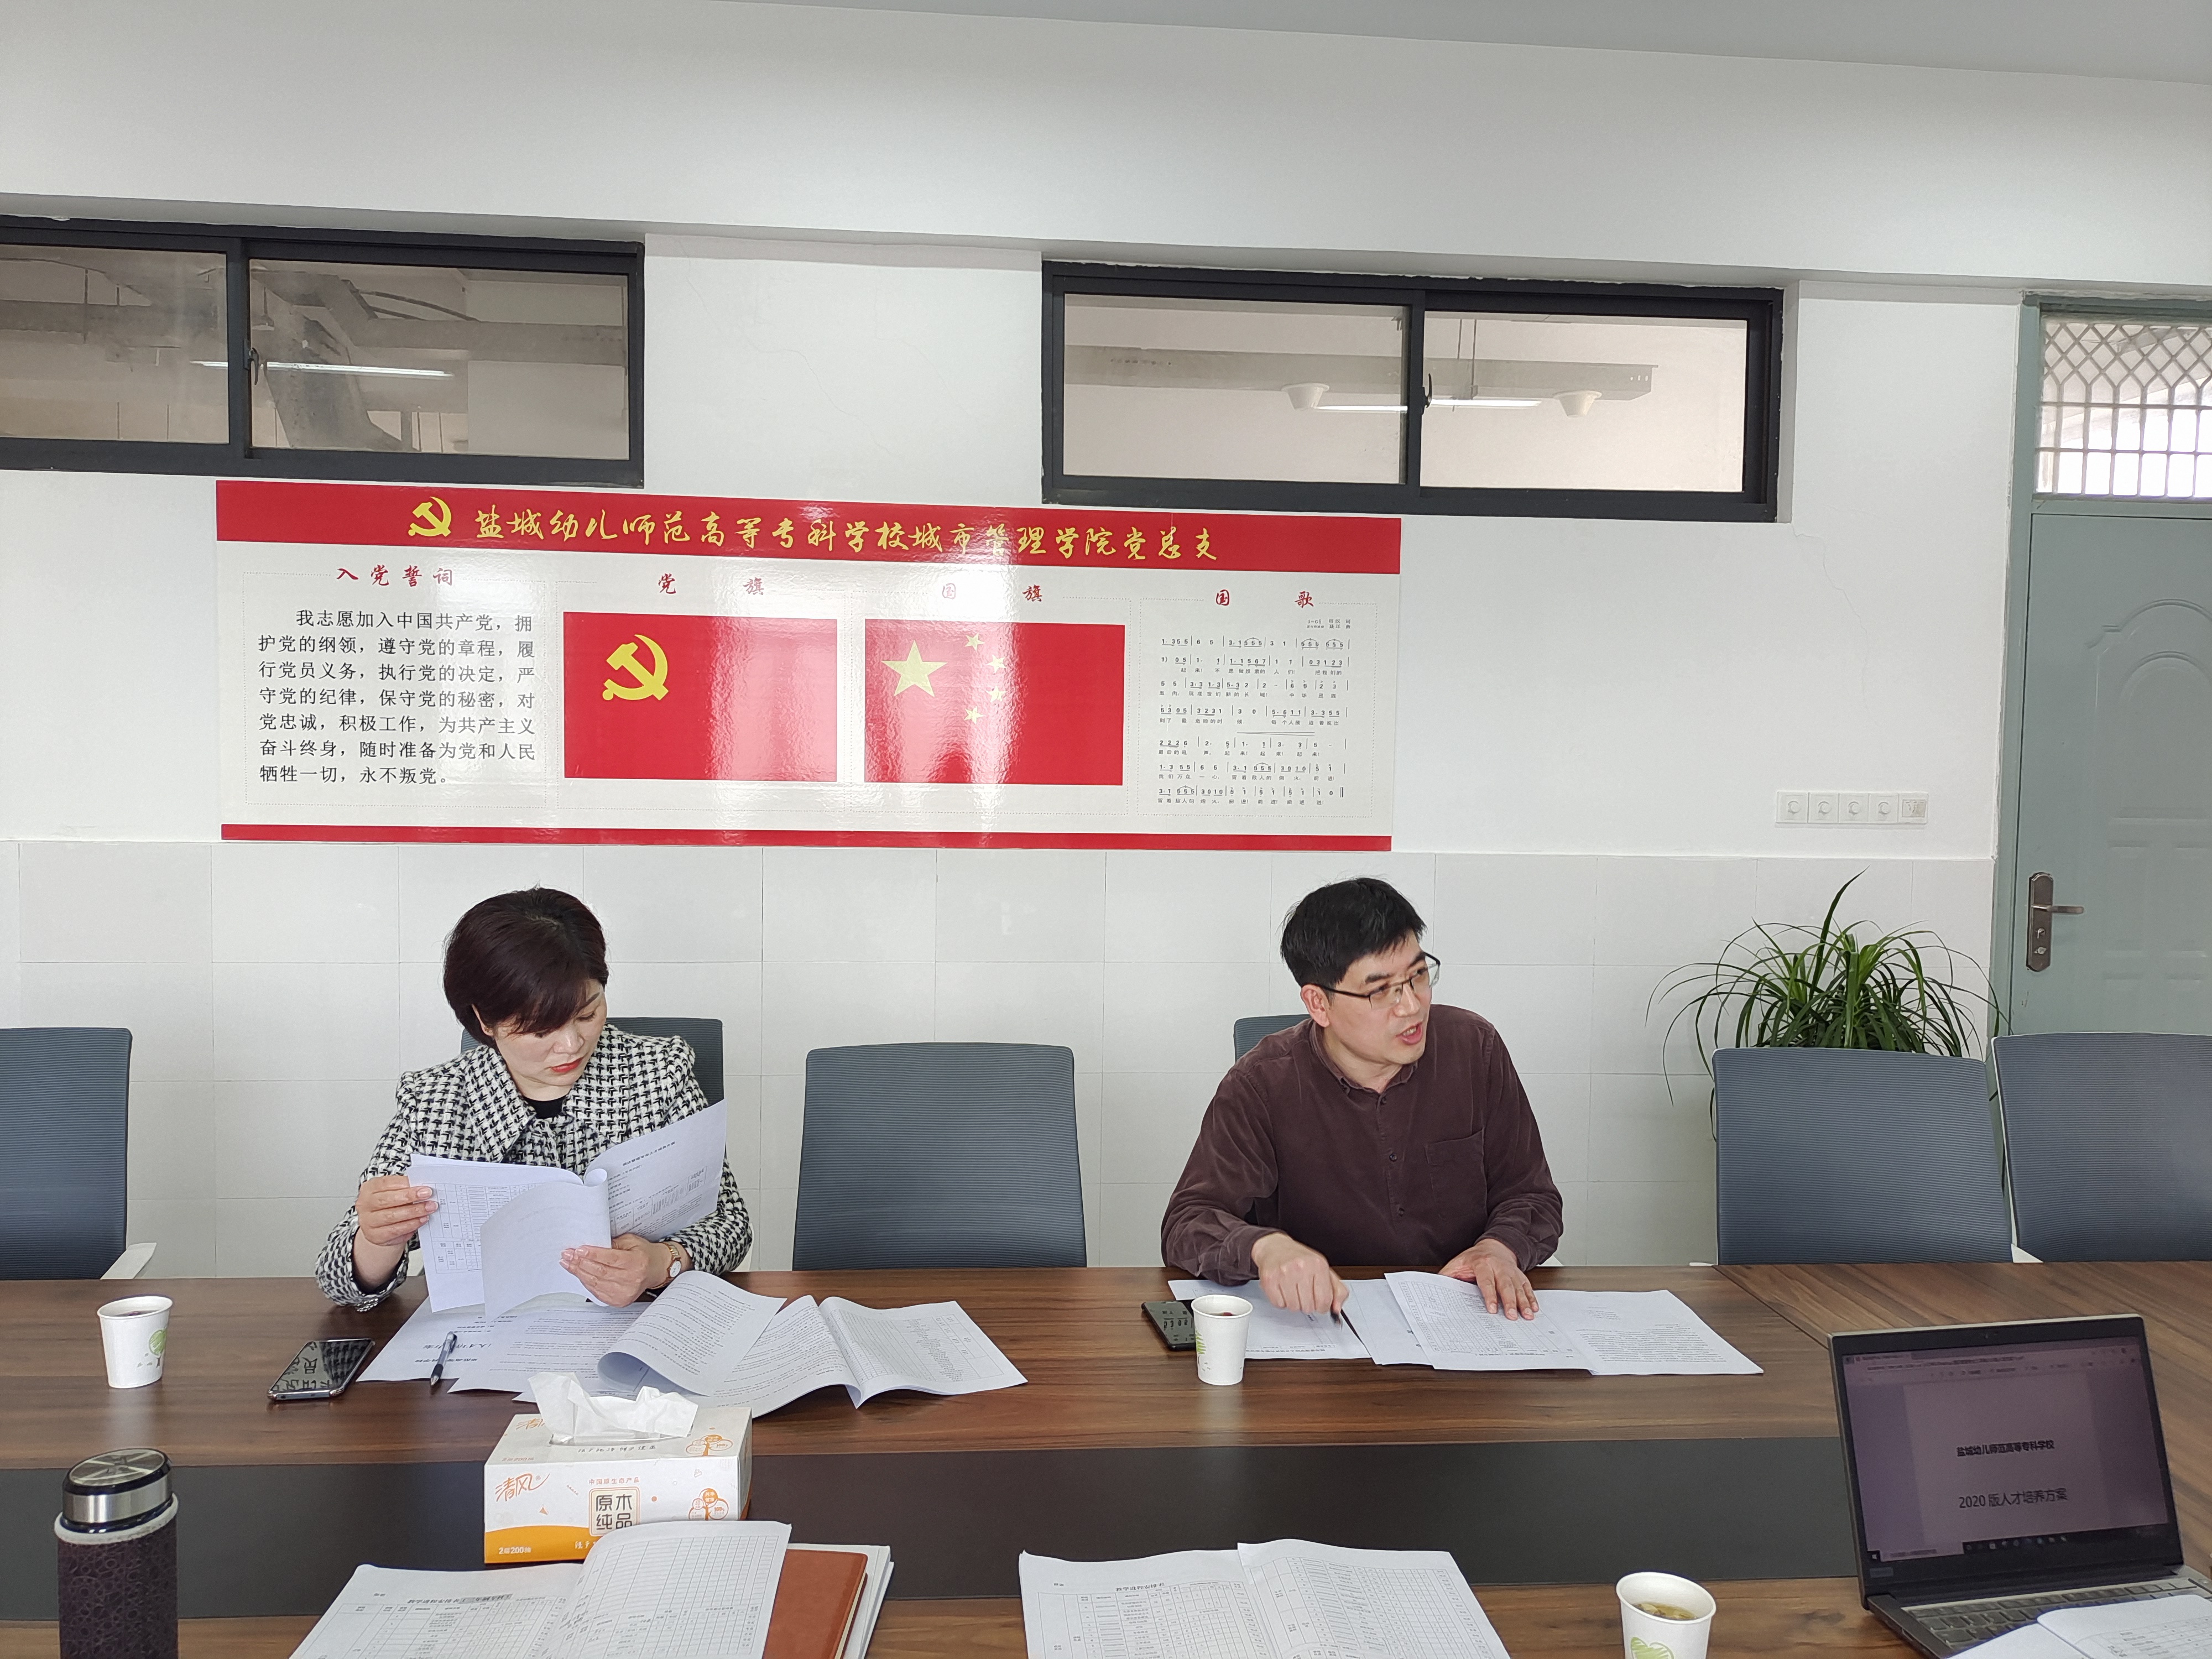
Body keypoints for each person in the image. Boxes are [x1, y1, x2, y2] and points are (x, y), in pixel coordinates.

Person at [315, 887, 751, 1310]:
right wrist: (378, 1239)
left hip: (634, 1325)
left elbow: (730, 1224)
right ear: (485, 1021)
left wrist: (663, 1263)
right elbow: (339, 1285)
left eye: (588, 1014)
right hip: (484, 1337)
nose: (571, 1045)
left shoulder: (660, 1073)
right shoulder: (435, 1102)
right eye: (541, 1030)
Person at [1160, 877, 1561, 1319]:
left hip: (1464, 1314)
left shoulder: (1474, 1049)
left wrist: (1499, 1247)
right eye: (1381, 990)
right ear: (1319, 1004)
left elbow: (1532, 1195)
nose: (1411, 1006)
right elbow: (1188, 1223)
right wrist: (1265, 1248)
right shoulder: (1261, 1085)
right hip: (1326, 1322)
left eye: (1418, 975)